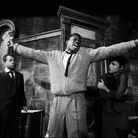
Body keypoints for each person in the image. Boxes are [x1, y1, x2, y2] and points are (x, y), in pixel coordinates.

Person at [9, 33, 138, 138]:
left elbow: (109, 50)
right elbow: (32, 53)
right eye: (75, 40)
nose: (77, 42)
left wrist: (133, 43)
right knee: (54, 134)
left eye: (79, 42)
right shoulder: (52, 56)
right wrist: (15, 47)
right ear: (67, 42)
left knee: (77, 134)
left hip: (77, 100)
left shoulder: (86, 55)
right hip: (58, 101)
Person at [97, 56, 129, 138]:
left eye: (113, 64)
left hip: (120, 113)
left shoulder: (123, 76)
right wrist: (118, 94)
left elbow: (118, 96)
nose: (110, 66)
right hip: (107, 112)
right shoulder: (103, 77)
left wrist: (104, 88)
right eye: (110, 64)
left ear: (121, 67)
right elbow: (102, 96)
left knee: (120, 135)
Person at [0, 54, 28, 138]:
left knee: (14, 133)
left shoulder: (19, 76)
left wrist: (24, 104)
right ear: (4, 62)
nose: (13, 62)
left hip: (15, 110)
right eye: (10, 60)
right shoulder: (0, 76)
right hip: (2, 111)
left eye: (13, 60)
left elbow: (21, 91)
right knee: (2, 133)